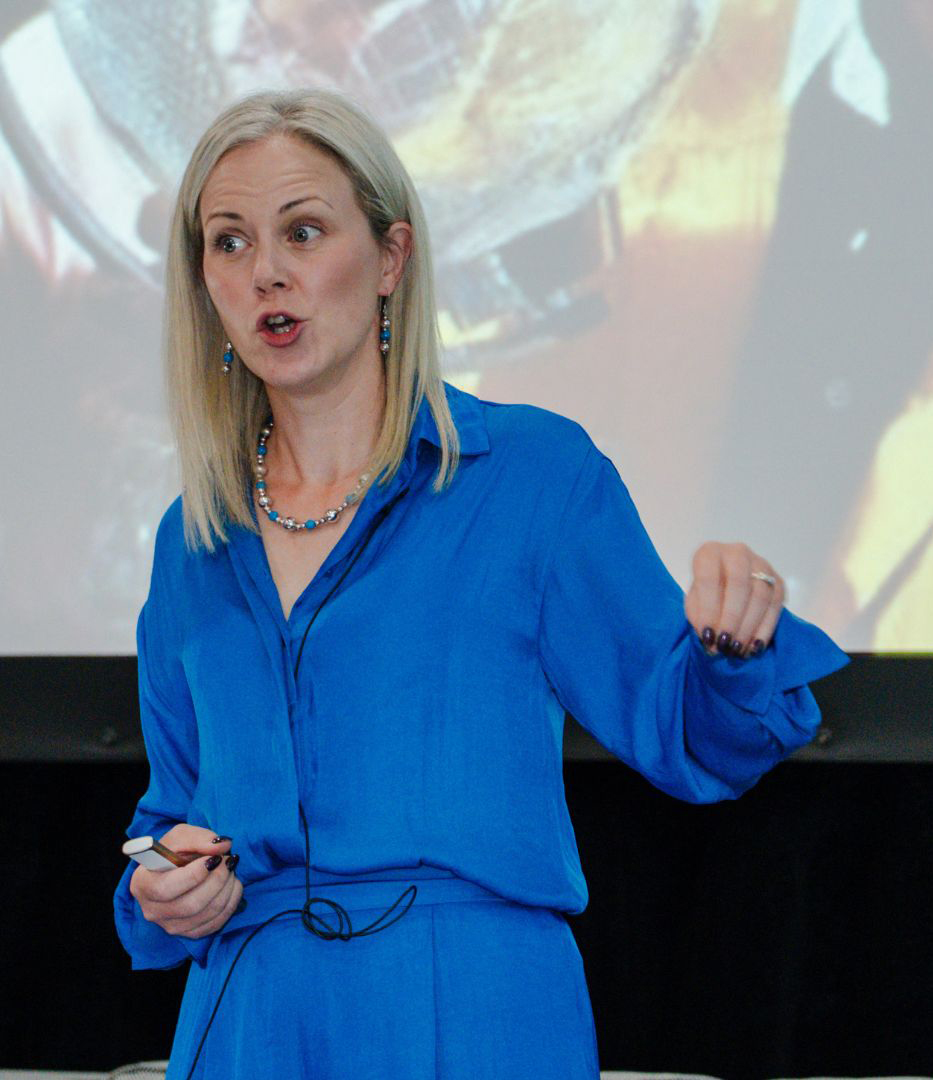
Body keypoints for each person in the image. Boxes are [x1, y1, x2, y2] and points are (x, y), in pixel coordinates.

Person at [113, 87, 850, 1080]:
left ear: (391, 258)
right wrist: (163, 887)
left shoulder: (535, 477)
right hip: (250, 1022)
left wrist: (735, 647)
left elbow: (683, 733)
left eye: (303, 230)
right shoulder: (191, 538)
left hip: (473, 1010)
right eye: (229, 242)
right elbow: (167, 816)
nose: (266, 272)